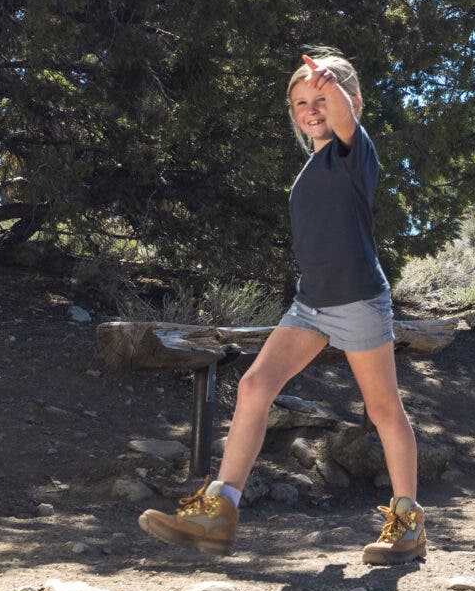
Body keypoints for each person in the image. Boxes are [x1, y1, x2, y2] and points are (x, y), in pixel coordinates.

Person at [140, 50, 428, 564]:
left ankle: (408, 525)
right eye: (301, 103)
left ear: (352, 102)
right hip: (310, 305)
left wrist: (331, 88)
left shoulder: (354, 152)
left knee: (383, 409)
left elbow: (343, 118)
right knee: (254, 386)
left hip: (359, 300)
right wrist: (325, 91)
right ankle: (220, 510)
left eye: (322, 99)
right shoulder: (313, 164)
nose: (312, 110)